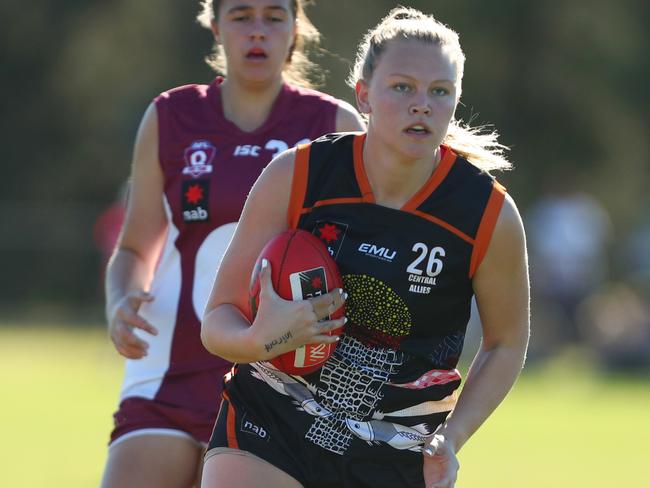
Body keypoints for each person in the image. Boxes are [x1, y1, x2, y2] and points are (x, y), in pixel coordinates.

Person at [200, 6, 529, 488]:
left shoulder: (488, 214)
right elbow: (218, 318)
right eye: (402, 87)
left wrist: (452, 437)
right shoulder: (299, 174)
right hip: (272, 415)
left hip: (394, 447)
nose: (422, 105)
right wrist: (261, 339)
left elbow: (506, 343)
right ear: (363, 95)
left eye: (439, 92)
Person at [100, 0, 365, 486]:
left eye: (274, 16)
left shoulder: (335, 127)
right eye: (241, 16)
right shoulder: (170, 117)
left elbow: (363, 261)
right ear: (216, 27)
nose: (257, 31)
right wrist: (119, 301)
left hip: (282, 384)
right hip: (168, 373)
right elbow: (135, 248)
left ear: (296, 27)